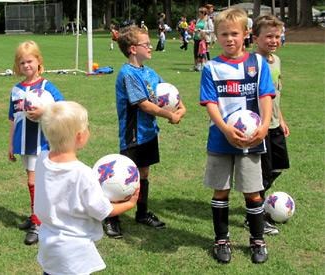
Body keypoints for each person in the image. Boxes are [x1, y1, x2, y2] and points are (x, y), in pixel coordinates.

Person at [199, 8, 275, 264]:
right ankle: (221, 239)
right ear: (216, 37)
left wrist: (264, 126)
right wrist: (226, 128)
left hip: (253, 139)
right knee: (220, 191)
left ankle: (257, 240)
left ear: (245, 34)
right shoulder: (211, 67)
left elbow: (265, 96)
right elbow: (210, 102)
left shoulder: (259, 63)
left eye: (234, 33)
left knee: (253, 193)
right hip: (221, 138)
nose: (229, 38)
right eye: (223, 34)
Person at [34, 101, 139, 275]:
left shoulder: (41, 160)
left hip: (48, 244)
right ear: (80, 136)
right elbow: (102, 210)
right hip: (73, 252)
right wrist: (130, 204)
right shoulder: (83, 174)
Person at [104, 25, 187, 238]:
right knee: (125, 176)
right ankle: (111, 217)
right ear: (133, 49)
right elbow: (144, 104)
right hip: (133, 133)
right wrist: (170, 116)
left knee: (144, 173)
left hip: (149, 131)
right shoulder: (128, 73)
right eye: (146, 44)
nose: (150, 47)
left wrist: (180, 107)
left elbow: (168, 92)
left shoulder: (149, 72)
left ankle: (141, 213)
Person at [8, 40, 64, 246]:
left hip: (41, 142)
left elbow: (62, 109)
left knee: (35, 182)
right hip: (24, 143)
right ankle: (36, 216)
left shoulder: (46, 87)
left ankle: (38, 223)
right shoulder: (16, 89)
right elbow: (12, 117)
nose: (26, 66)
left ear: (38, 61)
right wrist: (10, 144)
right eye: (22, 63)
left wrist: (44, 112)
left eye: (30, 61)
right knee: (34, 181)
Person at [249, 14, 290, 235]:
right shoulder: (252, 63)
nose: (274, 41)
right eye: (269, 37)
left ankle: (257, 202)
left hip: (275, 124)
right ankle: (254, 214)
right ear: (256, 38)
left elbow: (276, 95)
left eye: (278, 36)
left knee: (278, 166)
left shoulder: (277, 61)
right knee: (262, 171)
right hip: (260, 126)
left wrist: (281, 119)